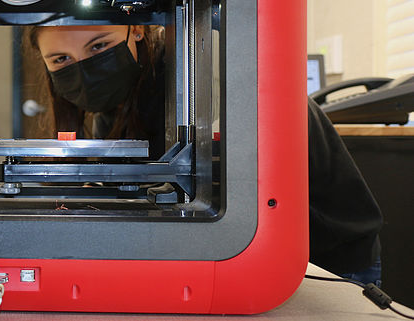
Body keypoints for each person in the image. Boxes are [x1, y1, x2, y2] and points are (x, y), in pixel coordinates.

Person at [24, 24, 384, 285]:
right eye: (60, 58)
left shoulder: (198, 65)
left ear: (136, 29)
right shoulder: (113, 105)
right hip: (253, 260)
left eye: (99, 46)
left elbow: (226, 187)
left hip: (325, 261)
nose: (84, 68)